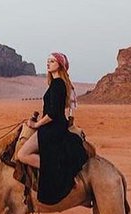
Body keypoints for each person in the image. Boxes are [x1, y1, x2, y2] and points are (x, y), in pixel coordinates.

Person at [16, 51, 88, 205]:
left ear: (60, 66)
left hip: (53, 128)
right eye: (48, 61)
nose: (48, 63)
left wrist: (36, 124)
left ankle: (57, 169)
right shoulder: (56, 84)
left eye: (53, 61)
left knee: (22, 154)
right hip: (54, 125)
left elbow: (53, 113)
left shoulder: (58, 84)